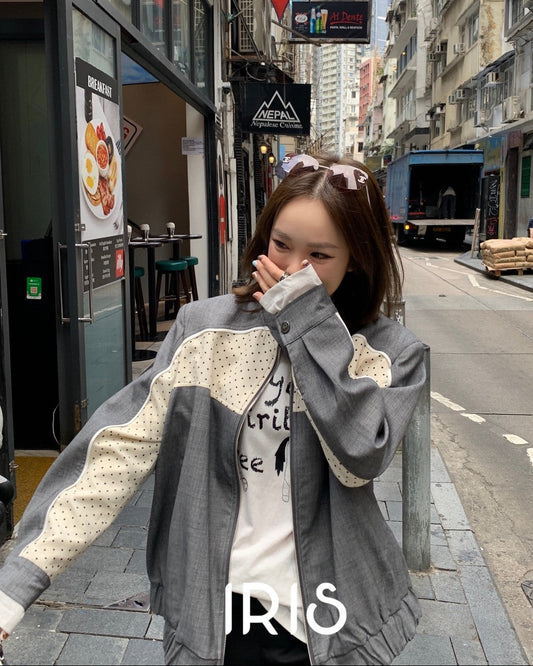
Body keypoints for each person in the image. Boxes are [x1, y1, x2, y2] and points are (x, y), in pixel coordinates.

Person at [0, 153, 426, 665]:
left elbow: (359, 459)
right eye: (281, 245)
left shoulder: (388, 353)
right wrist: (19, 582)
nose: (291, 270)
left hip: (329, 618)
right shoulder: (205, 332)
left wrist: (307, 320)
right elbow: (118, 451)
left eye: (319, 255)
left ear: (356, 257)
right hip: (215, 607)